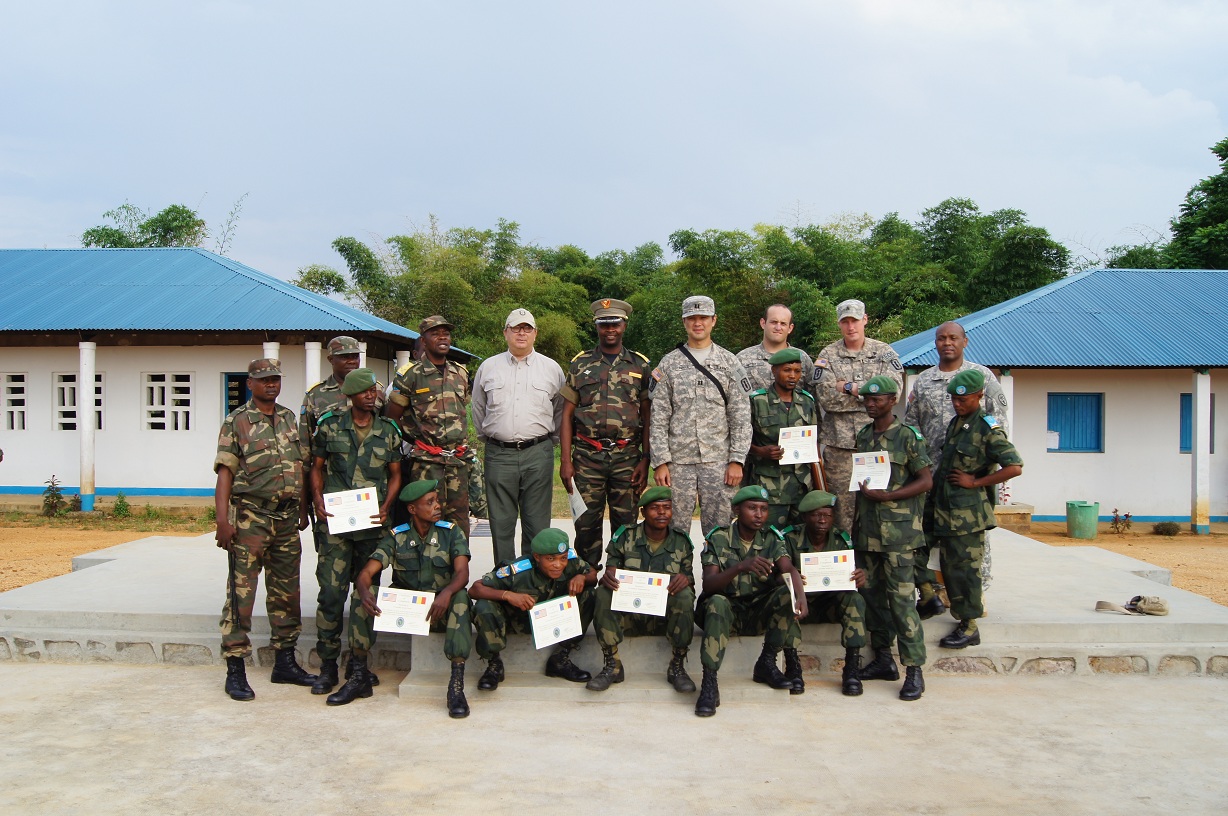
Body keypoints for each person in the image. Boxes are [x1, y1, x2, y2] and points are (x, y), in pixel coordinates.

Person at [213, 358, 316, 701]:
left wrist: (303, 510)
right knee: (241, 593)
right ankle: (235, 668)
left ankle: (284, 662)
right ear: (250, 384)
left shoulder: (289, 418)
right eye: (264, 380)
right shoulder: (236, 422)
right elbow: (225, 472)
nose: (271, 384)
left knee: (287, 591)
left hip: (287, 519)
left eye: (275, 379)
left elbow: (301, 466)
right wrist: (223, 521)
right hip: (251, 519)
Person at [309, 368, 402, 702]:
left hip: (371, 528)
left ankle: (359, 666)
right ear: (350, 395)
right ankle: (328, 666)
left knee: (366, 596)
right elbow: (316, 467)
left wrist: (387, 506)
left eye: (373, 391)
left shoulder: (388, 430)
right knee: (331, 595)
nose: (371, 395)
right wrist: (317, 500)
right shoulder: (330, 426)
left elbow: (395, 475)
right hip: (335, 526)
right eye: (364, 391)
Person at [904, 321, 1011, 611]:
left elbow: (998, 425)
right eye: (941, 338)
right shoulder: (923, 381)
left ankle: (976, 595)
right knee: (930, 533)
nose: (947, 343)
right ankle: (937, 591)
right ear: (935, 343)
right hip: (931, 474)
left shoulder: (983, 378)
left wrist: (980, 475)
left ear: (965, 341)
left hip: (967, 475)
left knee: (971, 540)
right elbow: (911, 426)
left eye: (953, 338)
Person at [349, 480, 473, 717]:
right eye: (430, 502)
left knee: (460, 598)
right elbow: (366, 573)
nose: (437, 506)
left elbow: (462, 573)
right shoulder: (397, 536)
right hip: (409, 610)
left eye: (437, 501)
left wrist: (446, 593)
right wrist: (364, 590)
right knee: (361, 595)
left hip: (439, 607)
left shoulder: (451, 532)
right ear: (412, 510)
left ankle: (456, 686)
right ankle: (358, 674)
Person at [928, 369, 1023, 650]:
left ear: (979, 396)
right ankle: (931, 601)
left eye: (964, 400)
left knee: (964, 571)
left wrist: (976, 481)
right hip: (945, 509)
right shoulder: (958, 424)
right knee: (941, 562)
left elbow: (1014, 467)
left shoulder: (987, 428)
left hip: (968, 515)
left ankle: (969, 626)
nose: (958, 405)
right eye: (955, 401)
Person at [693, 485, 807, 717]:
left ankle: (766, 662)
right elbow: (709, 584)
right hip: (724, 615)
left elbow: (788, 569)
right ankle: (709, 682)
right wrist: (740, 567)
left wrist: (800, 596)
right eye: (752, 508)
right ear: (737, 509)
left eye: (764, 509)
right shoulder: (718, 537)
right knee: (717, 601)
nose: (759, 514)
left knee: (787, 592)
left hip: (756, 613)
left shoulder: (772, 539)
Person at [852, 376, 931, 702]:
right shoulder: (864, 435)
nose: (871, 404)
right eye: (867, 400)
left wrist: (891, 496)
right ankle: (883, 659)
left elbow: (925, 480)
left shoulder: (907, 437)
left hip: (899, 535)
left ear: (892, 399)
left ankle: (914, 669)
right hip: (868, 533)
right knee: (872, 599)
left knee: (901, 602)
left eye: (878, 399)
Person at [649, 295, 753, 539]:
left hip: (719, 462)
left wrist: (737, 460)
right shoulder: (669, 363)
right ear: (684, 322)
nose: (698, 323)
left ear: (714, 320)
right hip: (678, 464)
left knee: (720, 532)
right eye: (692, 318)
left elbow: (740, 415)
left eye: (703, 317)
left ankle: (717, 577)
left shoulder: (730, 362)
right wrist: (661, 461)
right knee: (674, 532)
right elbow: (659, 417)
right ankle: (680, 578)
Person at [559, 298, 652, 567]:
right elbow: (566, 415)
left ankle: (620, 591)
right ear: (597, 327)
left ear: (624, 325)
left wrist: (646, 460)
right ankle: (587, 588)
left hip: (627, 459)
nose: (610, 328)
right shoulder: (580, 364)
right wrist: (566, 461)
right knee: (586, 527)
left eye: (615, 323)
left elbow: (648, 416)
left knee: (627, 528)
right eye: (604, 323)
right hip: (587, 458)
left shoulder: (640, 365)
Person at [471, 308, 565, 565]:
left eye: (527, 328)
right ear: (505, 333)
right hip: (499, 454)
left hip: (538, 452)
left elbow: (559, 410)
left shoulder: (552, 368)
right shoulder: (489, 367)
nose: (521, 333)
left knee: (537, 523)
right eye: (516, 328)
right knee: (501, 524)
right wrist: (492, 437)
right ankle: (506, 579)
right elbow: (478, 408)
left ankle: (534, 578)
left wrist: (549, 442)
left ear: (535, 333)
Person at [588, 486, 696, 693]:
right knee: (603, 592)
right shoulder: (625, 537)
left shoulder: (682, 543)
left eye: (667, 507)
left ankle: (677, 666)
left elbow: (689, 578)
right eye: (655, 508)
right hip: (628, 618)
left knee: (684, 595)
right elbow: (612, 569)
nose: (662, 512)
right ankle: (613, 664)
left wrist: (685, 580)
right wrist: (609, 577)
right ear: (643, 512)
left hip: (665, 621)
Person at [814, 299, 903, 533]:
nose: (850, 326)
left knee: (880, 509)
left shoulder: (884, 353)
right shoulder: (827, 355)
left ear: (865, 320)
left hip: (878, 444)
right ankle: (846, 566)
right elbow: (827, 399)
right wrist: (871, 396)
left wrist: (849, 387)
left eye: (854, 320)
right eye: (845, 322)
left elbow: (893, 392)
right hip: (840, 449)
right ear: (839, 324)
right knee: (842, 513)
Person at [469, 528, 597, 690]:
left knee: (591, 595)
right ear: (537, 557)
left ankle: (560, 658)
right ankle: (494, 664)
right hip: (518, 620)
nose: (558, 565)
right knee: (483, 606)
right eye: (551, 559)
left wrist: (582, 577)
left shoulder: (571, 562)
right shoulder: (517, 571)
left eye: (562, 558)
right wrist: (508, 595)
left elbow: (592, 574)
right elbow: (475, 589)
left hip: (552, 619)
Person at [385, 315, 475, 537]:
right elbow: (392, 418)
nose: (442, 337)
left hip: (457, 461)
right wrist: (416, 439)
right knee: (427, 521)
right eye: (435, 333)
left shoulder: (460, 373)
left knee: (459, 522)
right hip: (426, 462)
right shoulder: (410, 376)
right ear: (423, 341)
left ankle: (458, 568)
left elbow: (462, 410)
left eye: (446, 333)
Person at [779, 489, 867, 696]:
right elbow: (776, 573)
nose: (822, 520)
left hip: (829, 604)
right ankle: (793, 668)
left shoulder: (840, 540)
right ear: (804, 517)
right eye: (816, 515)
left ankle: (852, 669)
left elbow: (852, 574)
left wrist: (860, 577)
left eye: (827, 515)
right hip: (800, 605)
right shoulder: (789, 538)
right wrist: (790, 579)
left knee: (854, 599)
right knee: (784, 597)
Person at [301, 336, 384, 554]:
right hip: (331, 490)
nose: (351, 361)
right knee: (332, 557)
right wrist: (309, 498)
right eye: (344, 357)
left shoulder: (378, 392)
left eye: (354, 356)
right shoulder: (316, 395)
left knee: (367, 559)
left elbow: (387, 434)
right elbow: (306, 449)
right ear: (330, 359)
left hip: (369, 488)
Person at [747, 348, 823, 531]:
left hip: (801, 486)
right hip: (770, 486)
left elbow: (814, 438)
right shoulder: (757, 401)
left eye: (797, 371)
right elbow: (740, 439)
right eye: (787, 370)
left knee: (800, 540)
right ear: (774, 371)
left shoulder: (807, 401)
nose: (792, 376)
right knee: (768, 539)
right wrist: (760, 451)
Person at [736, 303, 815, 392]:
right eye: (774, 322)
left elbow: (813, 397)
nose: (778, 327)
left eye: (783, 324)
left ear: (790, 328)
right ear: (763, 323)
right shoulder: (742, 359)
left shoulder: (802, 358)